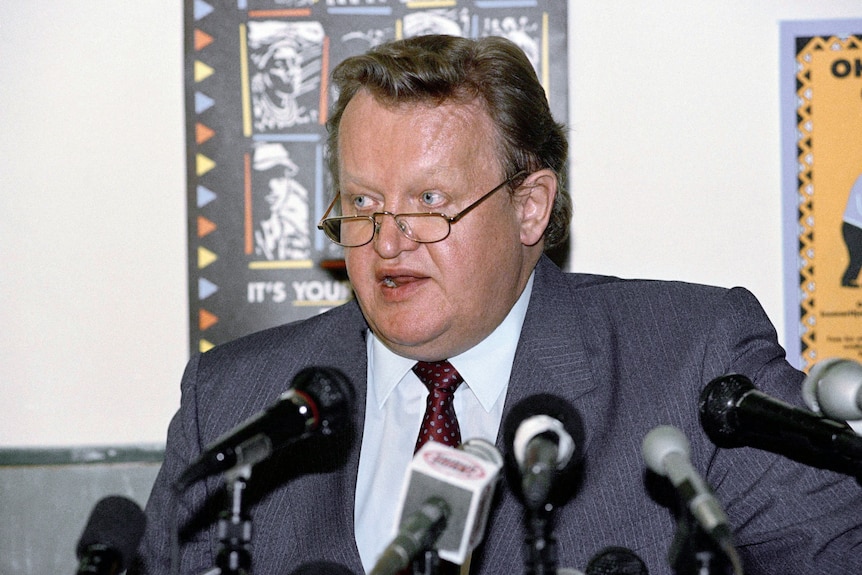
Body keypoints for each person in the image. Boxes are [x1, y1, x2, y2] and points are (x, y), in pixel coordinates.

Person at [134, 34, 862, 575]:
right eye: (362, 203)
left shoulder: (692, 362)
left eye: (429, 202)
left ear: (529, 207)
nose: (388, 241)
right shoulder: (230, 402)